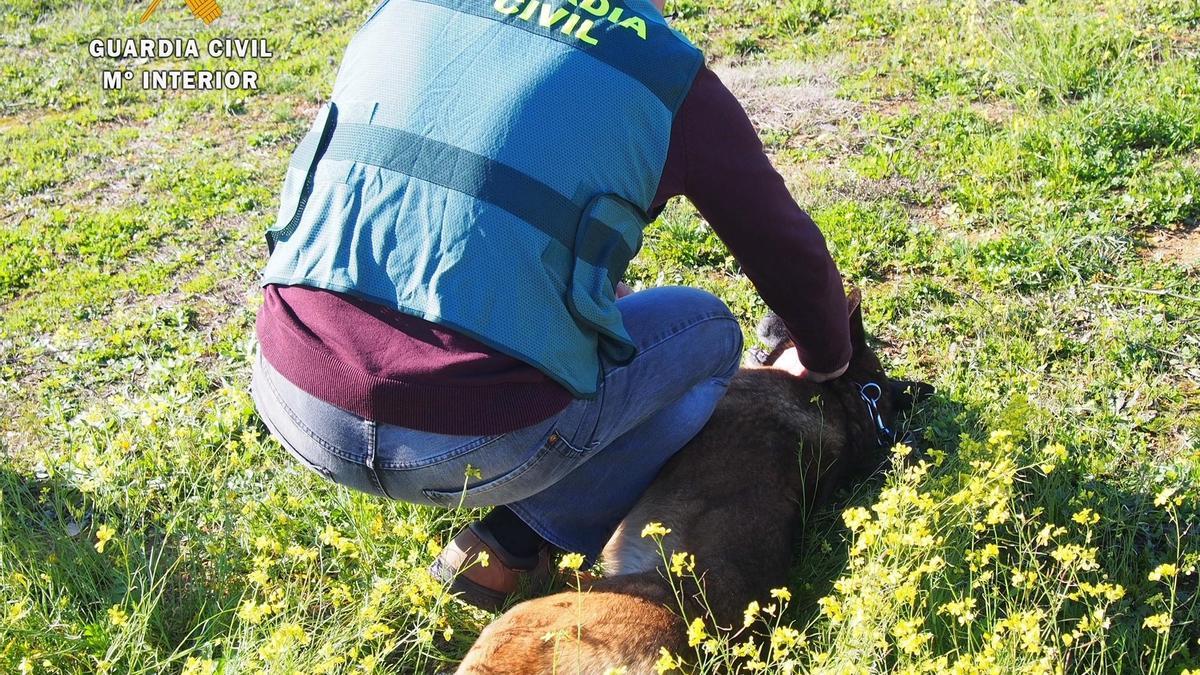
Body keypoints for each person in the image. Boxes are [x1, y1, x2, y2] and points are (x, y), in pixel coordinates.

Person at [250, 0, 851, 611]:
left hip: (294, 399)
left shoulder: (404, 9)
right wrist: (824, 354)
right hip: (469, 441)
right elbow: (782, 245)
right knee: (710, 331)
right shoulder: (660, 68)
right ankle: (512, 541)